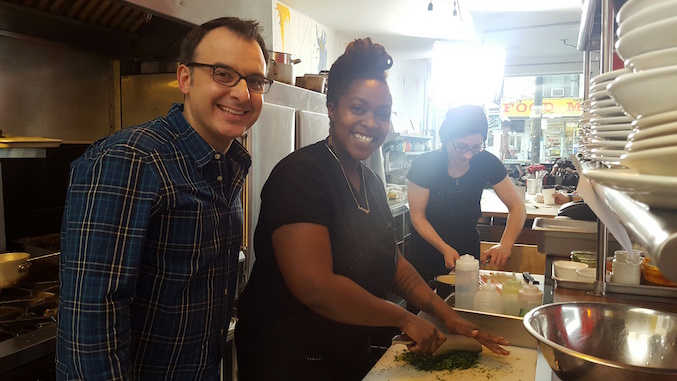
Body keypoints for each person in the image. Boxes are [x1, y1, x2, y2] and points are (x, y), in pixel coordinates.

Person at [234, 38, 509, 381]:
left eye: (382, 114)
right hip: (289, 359)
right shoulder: (301, 175)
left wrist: (444, 313)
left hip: (344, 350)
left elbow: (394, 264)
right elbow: (315, 286)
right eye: (358, 108)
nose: (372, 123)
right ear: (332, 108)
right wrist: (405, 318)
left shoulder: (371, 181)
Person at [56, 17, 270, 380]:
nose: (242, 93)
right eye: (222, 73)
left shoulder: (226, 166)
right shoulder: (129, 160)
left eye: (255, 80)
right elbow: (90, 321)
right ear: (185, 78)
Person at [406, 105, 527, 285]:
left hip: (467, 250)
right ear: (447, 140)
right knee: (423, 308)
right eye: (461, 147)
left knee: (465, 304)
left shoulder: (486, 162)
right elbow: (418, 217)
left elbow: (517, 207)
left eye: (476, 147)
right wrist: (444, 248)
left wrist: (505, 245)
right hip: (426, 249)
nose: (469, 155)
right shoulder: (425, 165)